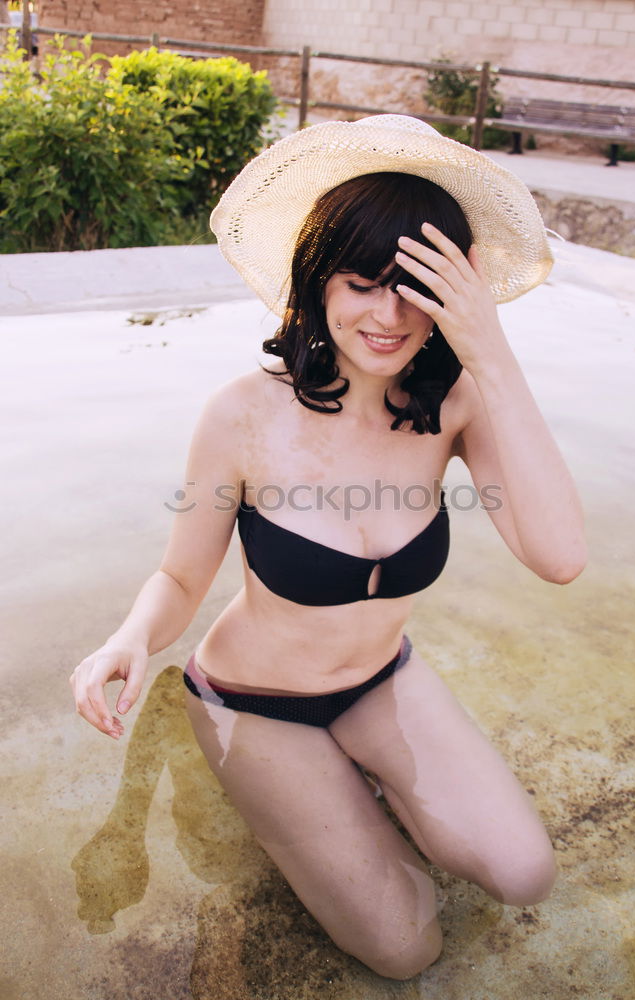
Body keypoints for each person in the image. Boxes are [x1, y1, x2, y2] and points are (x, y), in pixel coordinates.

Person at [70, 115, 586, 980]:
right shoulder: (241, 415)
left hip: (382, 678)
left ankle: (366, 789)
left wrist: (490, 354)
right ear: (317, 284)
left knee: (524, 874)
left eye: (415, 290)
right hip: (253, 701)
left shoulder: (452, 404)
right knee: (404, 947)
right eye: (361, 284)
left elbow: (559, 555)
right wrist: (128, 639)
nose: (387, 317)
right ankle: (312, 797)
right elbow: (180, 573)